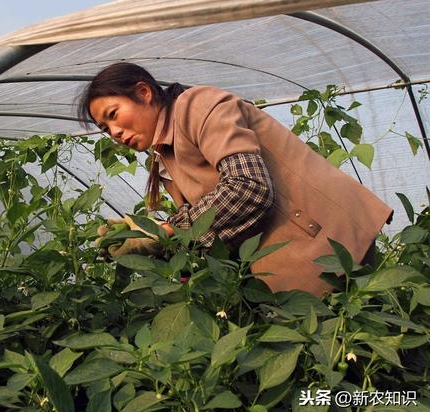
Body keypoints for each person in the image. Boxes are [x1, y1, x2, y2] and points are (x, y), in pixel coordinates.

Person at [78, 62, 393, 297]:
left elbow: (248, 188)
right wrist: (140, 234)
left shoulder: (198, 107)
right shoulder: (165, 156)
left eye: (113, 115)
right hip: (293, 262)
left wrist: (166, 232)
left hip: (331, 243)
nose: (115, 133)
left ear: (144, 93)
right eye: (105, 129)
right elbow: (207, 229)